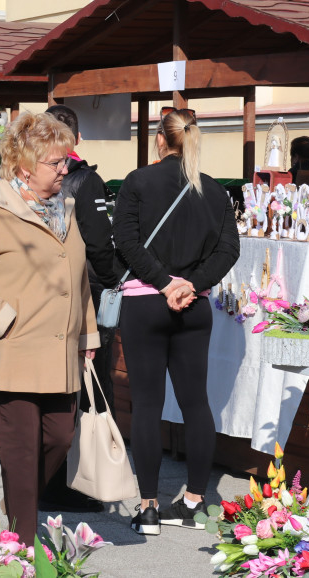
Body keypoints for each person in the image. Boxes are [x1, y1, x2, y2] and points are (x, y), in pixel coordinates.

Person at [0, 112, 100, 544]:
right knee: (19, 451)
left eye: (65, 160)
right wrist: (3, 321)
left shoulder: (65, 209)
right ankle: (21, 550)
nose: (65, 168)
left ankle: (18, 499)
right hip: (12, 349)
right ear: (24, 167)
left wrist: (88, 336)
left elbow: (80, 279)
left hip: (61, 351)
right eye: (55, 162)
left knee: (59, 437)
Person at [112, 108, 239, 535]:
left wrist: (165, 283)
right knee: (196, 402)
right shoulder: (217, 193)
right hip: (194, 306)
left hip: (146, 303)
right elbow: (228, 252)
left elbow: (126, 242)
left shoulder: (137, 182)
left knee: (146, 404)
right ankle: (196, 502)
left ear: (160, 141)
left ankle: (148, 508)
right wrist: (190, 285)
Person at [39, 104, 119, 514]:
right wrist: (113, 282)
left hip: (43, 298)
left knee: (50, 392)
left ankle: (46, 478)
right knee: (87, 390)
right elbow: (100, 245)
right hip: (84, 294)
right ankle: (72, 481)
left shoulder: (28, 175)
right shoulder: (86, 180)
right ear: (75, 139)